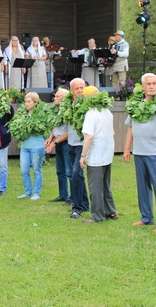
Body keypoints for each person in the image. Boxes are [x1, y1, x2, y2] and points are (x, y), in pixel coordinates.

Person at [123, 73, 156, 233]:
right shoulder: (135, 103)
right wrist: (127, 148)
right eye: (149, 84)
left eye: (155, 83)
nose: (152, 86)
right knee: (143, 187)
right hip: (139, 152)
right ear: (143, 86)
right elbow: (131, 127)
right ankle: (146, 217)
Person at [79, 86, 117, 223]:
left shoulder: (91, 113)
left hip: (96, 155)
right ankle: (110, 211)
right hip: (107, 153)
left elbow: (89, 137)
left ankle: (97, 216)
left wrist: (83, 155)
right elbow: (112, 132)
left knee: (95, 187)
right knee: (106, 184)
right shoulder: (107, 111)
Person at [9, 92, 48, 200]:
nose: (26, 104)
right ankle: (27, 192)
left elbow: (46, 130)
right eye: (25, 102)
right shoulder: (22, 114)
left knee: (36, 169)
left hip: (37, 146)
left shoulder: (42, 114)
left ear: (35, 102)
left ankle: (36, 193)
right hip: (25, 147)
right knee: (24, 170)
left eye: (28, 102)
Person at [62, 78, 90, 219]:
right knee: (76, 176)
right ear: (71, 91)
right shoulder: (68, 104)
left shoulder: (87, 104)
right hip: (71, 143)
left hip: (82, 144)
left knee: (76, 174)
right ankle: (84, 204)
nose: (80, 90)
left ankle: (77, 207)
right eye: (77, 88)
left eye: (82, 87)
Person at [45, 88, 73, 205]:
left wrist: (54, 142)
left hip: (66, 143)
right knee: (60, 170)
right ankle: (63, 195)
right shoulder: (57, 110)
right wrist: (50, 138)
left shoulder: (69, 110)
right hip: (57, 141)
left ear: (64, 98)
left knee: (69, 171)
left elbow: (69, 132)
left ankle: (72, 198)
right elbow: (55, 126)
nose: (54, 98)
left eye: (57, 97)